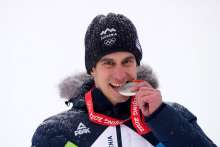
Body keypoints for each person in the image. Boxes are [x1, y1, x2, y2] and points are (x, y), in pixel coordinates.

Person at [31, 13, 217, 147]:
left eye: (127, 61)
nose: (120, 75)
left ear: (137, 64)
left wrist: (161, 117)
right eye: (108, 63)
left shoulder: (173, 115)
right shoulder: (57, 131)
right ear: (92, 70)